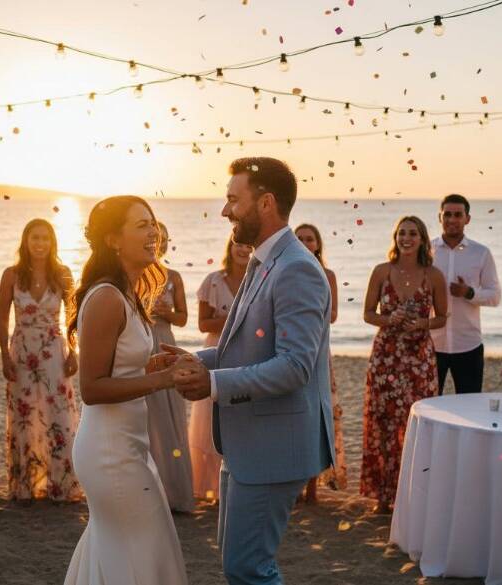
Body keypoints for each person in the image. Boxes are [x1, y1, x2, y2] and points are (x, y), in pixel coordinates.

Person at [169, 157, 335, 585]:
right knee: (238, 565)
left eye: (232, 200)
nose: (225, 211)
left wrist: (213, 384)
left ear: (265, 203)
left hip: (275, 446)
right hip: (246, 443)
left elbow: (295, 366)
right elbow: (242, 346)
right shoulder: (264, 260)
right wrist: (190, 361)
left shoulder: (296, 267)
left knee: (249, 569)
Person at [63, 195, 188, 585]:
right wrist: (162, 380)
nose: (153, 232)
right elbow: (92, 387)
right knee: (142, 548)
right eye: (141, 225)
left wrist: (151, 365)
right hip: (109, 451)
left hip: (129, 444)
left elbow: (119, 368)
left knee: (123, 549)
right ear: (113, 240)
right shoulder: (104, 297)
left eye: (153, 223)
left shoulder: (128, 294)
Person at [362, 216, 448, 514]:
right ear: (395, 237)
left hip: (418, 358)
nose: (407, 238)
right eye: (402, 233)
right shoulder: (381, 272)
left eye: (413, 233)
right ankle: (384, 495)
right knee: (384, 423)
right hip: (386, 356)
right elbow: (367, 314)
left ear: (423, 239)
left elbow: (442, 318)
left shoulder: (434, 275)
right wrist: (389, 320)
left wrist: (422, 323)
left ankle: (413, 490)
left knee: (415, 423)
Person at [0, 219, 81, 503]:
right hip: (21, 351)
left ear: (53, 242)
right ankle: (25, 486)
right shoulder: (11, 275)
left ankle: (60, 484)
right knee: (24, 417)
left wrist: (74, 351)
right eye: (35, 238)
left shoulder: (64, 274)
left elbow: (73, 319)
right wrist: (4, 356)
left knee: (58, 413)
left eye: (45, 238)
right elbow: (1, 319)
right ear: (26, 240)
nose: (40, 243)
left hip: (53, 351)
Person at [190, 235, 251, 503]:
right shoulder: (213, 281)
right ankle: (211, 488)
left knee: (243, 416)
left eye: (248, 245)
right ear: (231, 246)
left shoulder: (259, 279)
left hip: (249, 352)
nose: (243, 249)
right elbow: (203, 324)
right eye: (239, 244)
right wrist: (234, 320)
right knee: (210, 421)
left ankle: (241, 482)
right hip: (219, 350)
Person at [145, 222, 195, 513]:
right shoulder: (135, 275)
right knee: (147, 417)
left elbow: (184, 317)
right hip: (141, 344)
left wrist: (167, 313)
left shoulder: (173, 277)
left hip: (163, 340)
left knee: (170, 415)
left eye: (160, 239)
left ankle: (174, 491)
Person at [295, 223, 347, 499]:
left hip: (318, 349)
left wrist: (306, 315)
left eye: (309, 238)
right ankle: (294, 482)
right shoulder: (285, 271)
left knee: (317, 414)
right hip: (290, 347)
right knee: (294, 413)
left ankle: (313, 487)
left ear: (317, 244)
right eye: (299, 238)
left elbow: (334, 314)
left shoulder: (327, 275)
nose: (304, 242)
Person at [431, 194, 501, 394]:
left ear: (467, 219)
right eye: (447, 214)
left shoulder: (481, 253)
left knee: (470, 406)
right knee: (429, 405)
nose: (452, 219)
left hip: (468, 345)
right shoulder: (426, 250)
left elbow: (495, 296)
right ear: (440, 217)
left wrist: (469, 292)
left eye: (458, 215)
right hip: (432, 344)